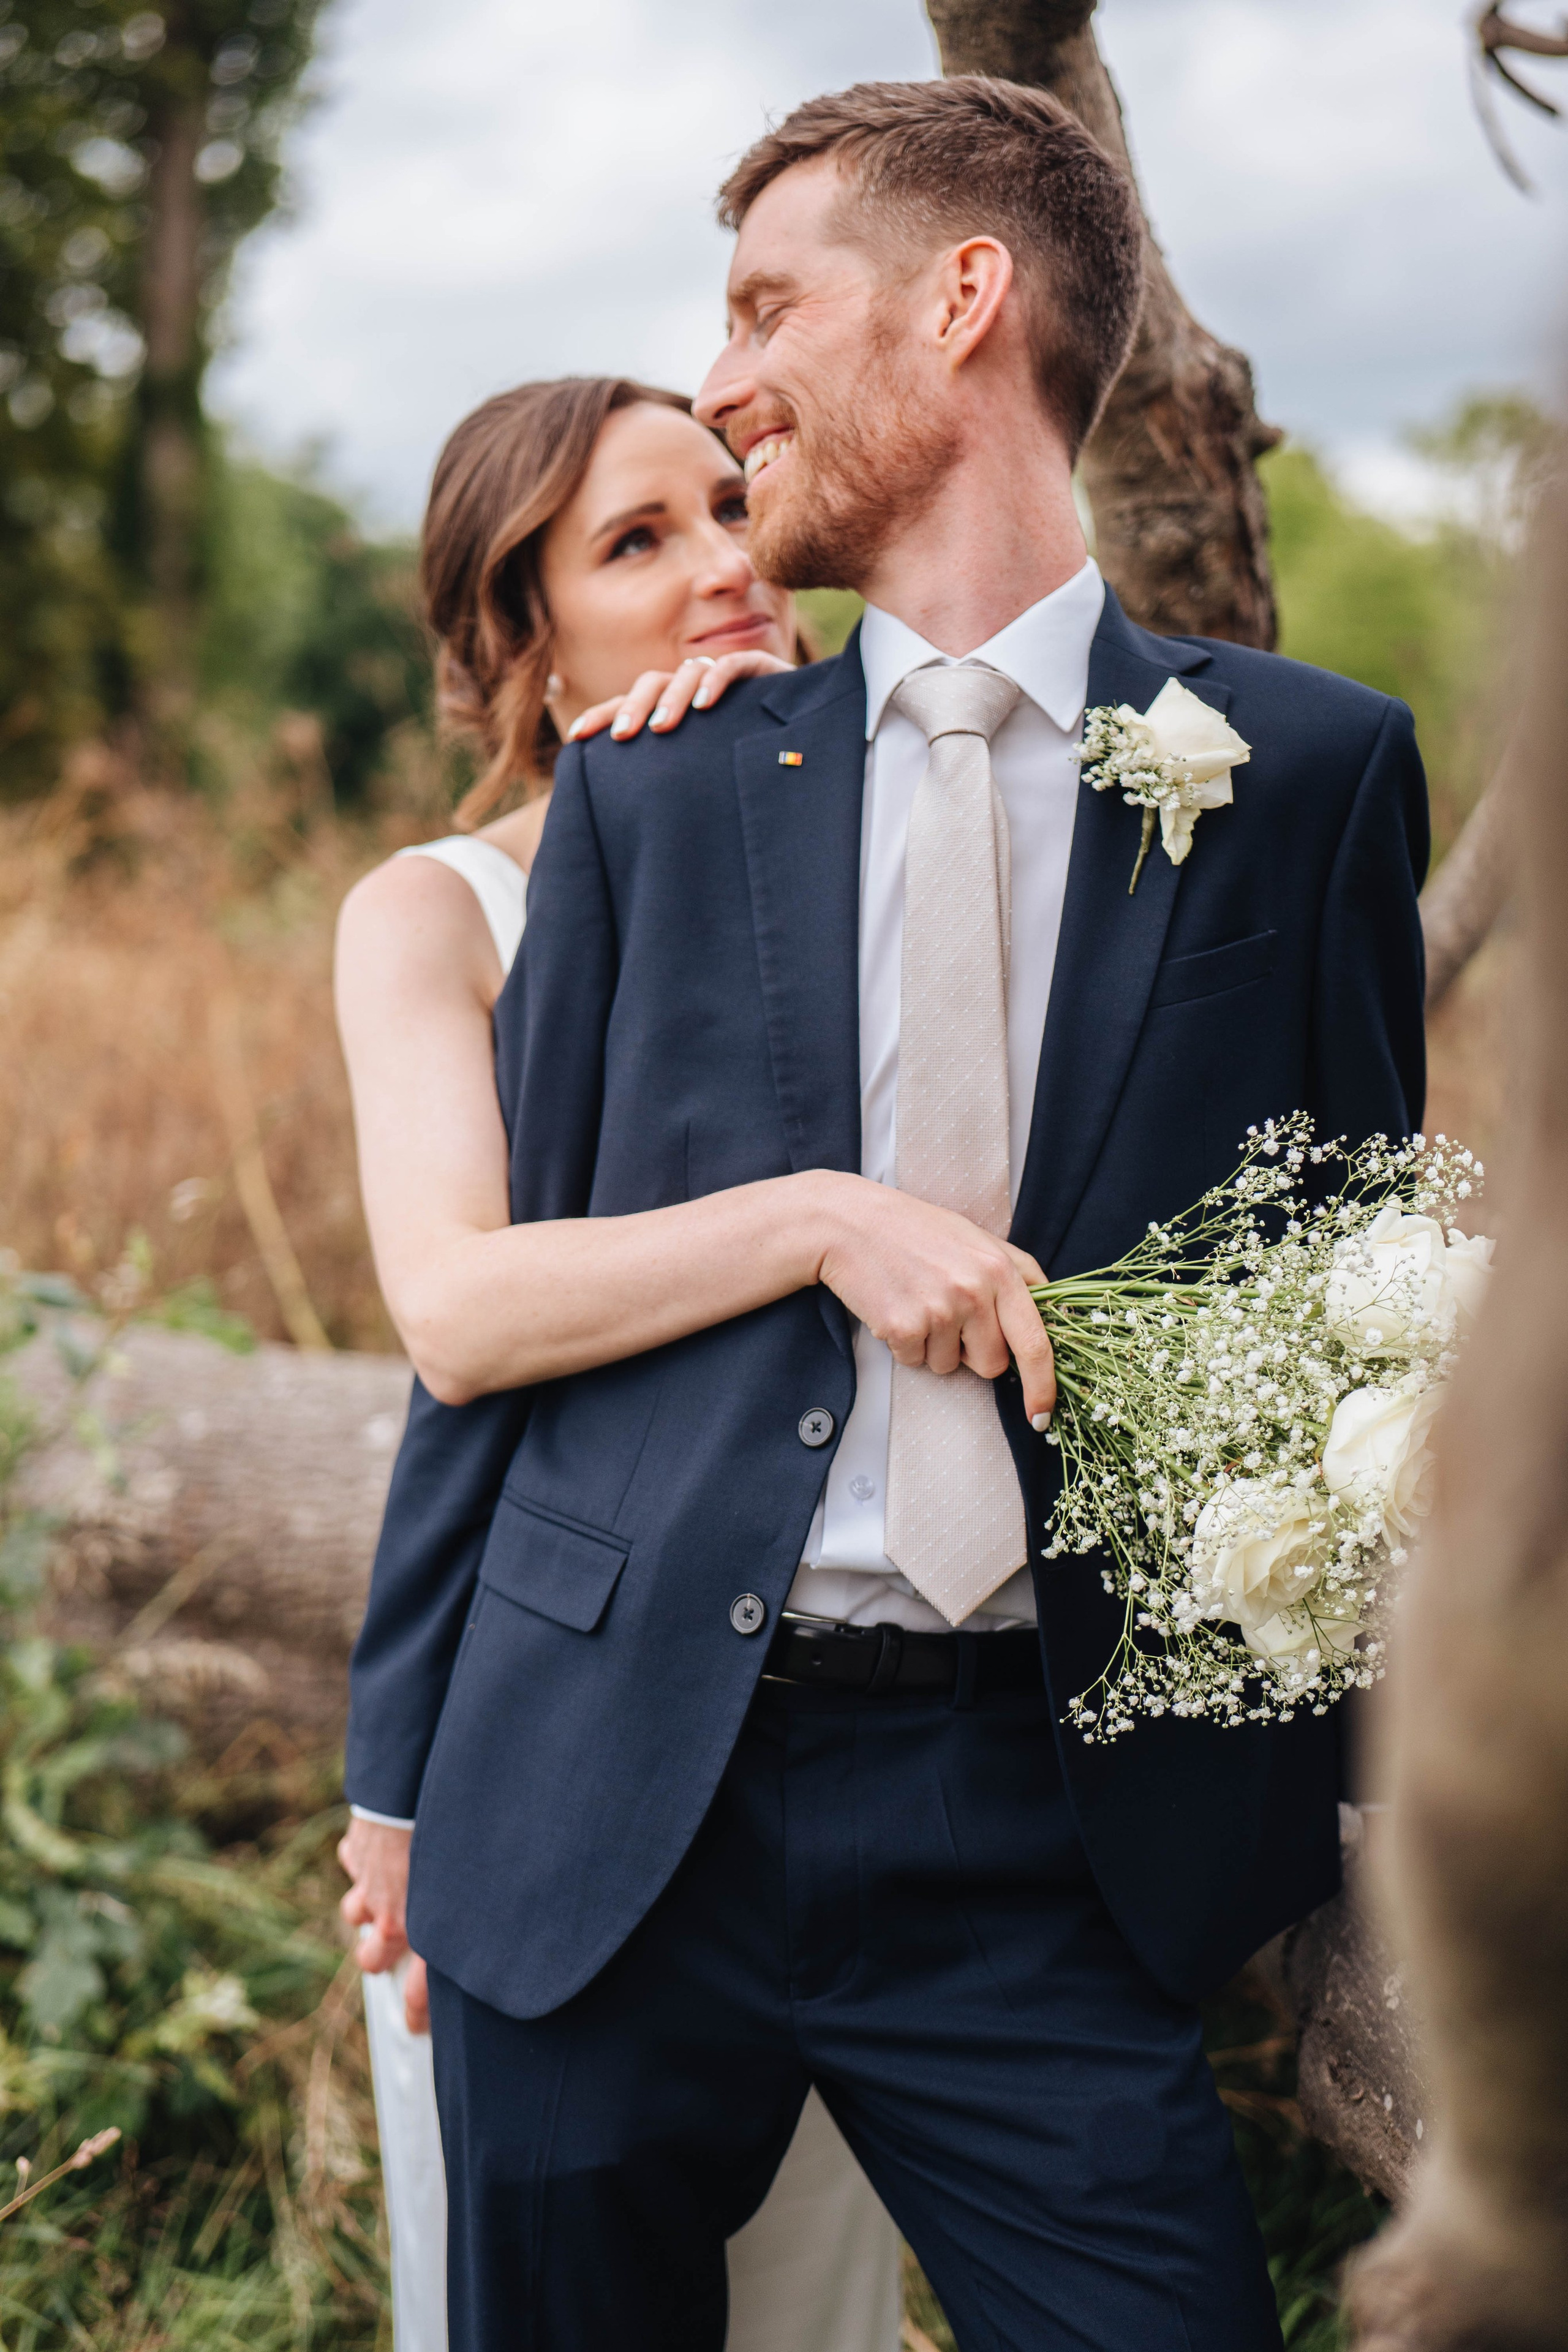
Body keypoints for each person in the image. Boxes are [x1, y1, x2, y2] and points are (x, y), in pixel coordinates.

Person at [347, 75, 1429, 2352]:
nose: (726, 387)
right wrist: (399, 1763)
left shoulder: (1310, 771)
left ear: (962, 301)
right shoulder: (656, 797)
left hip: (1044, 1831)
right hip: (621, 1789)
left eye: (764, 308)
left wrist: (1329, 1785)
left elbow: (1341, 1318)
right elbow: (504, 1341)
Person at [334, 377, 902, 2352]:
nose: (727, 569)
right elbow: (467, 1314)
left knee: (811, 2304)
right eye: (638, 544)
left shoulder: (888, 846)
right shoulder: (437, 912)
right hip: (556, 1754)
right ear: (515, 633)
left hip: (855, 1743)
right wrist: (395, 1787)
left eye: (734, 509)